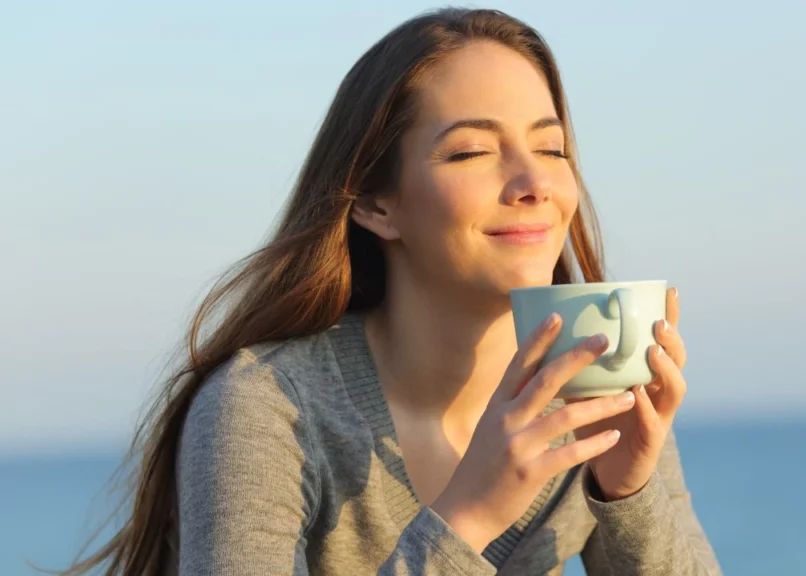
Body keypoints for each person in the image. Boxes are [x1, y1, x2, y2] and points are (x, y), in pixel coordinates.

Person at [60, 7, 721, 576]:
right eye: (469, 153)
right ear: (377, 204)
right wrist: (467, 518)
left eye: (551, 150)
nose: (534, 184)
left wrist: (629, 491)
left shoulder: (595, 380)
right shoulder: (269, 407)